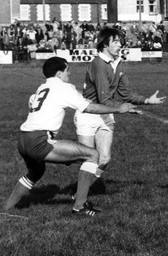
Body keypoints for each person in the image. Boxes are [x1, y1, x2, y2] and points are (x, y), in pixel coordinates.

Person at [3, 57, 138, 216]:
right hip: (39, 141)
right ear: (59, 73)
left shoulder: (43, 87)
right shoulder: (63, 88)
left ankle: (4, 209)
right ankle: (80, 206)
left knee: (36, 172)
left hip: (23, 140)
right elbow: (89, 108)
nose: (70, 72)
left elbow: (35, 100)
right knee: (93, 155)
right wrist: (118, 109)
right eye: (67, 70)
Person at [73, 27, 166, 198]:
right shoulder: (98, 65)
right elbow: (103, 99)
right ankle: (80, 197)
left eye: (119, 41)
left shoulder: (119, 63)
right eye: (115, 41)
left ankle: (79, 194)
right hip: (88, 114)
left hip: (106, 114)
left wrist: (146, 100)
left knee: (104, 158)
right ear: (104, 44)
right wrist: (121, 108)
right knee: (89, 159)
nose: (119, 44)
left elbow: (125, 93)